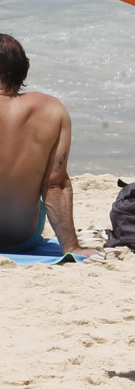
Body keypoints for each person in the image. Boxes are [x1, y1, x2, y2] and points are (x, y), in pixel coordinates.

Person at [0, 35, 94, 256]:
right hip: (21, 239)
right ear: (23, 70)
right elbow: (55, 186)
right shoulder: (51, 109)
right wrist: (71, 247)